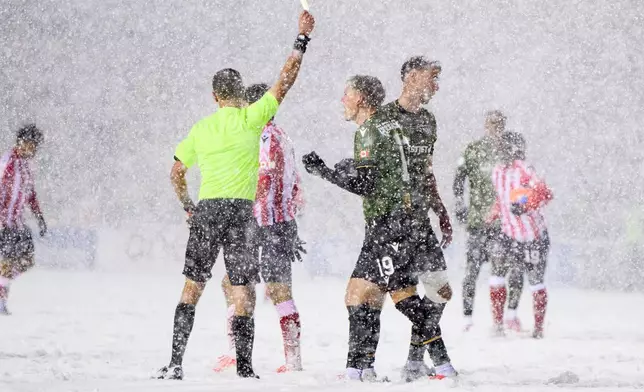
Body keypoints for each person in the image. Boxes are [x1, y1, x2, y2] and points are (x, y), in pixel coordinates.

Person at [156, 10, 315, 380]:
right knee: (242, 289)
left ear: (215, 96)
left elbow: (176, 172)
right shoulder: (251, 119)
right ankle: (245, 368)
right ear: (241, 95)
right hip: (243, 213)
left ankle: (176, 363)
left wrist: (187, 205)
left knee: (193, 286)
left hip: (209, 209)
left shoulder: (202, 128)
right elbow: (284, 82)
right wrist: (301, 41)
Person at [302, 72, 455, 382]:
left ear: (360, 99)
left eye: (346, 94)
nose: (342, 100)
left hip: (388, 225)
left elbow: (367, 184)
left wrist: (326, 172)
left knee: (366, 295)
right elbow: (410, 170)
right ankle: (366, 368)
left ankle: (437, 364)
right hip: (409, 222)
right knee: (384, 293)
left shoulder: (369, 130)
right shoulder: (397, 125)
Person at [373, 56, 456, 381]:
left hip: (421, 220)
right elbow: (371, 174)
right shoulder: (384, 119)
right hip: (393, 223)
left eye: (438, 79)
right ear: (410, 77)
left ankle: (414, 359)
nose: (436, 85)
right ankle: (435, 359)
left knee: (440, 290)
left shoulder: (428, 121)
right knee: (403, 295)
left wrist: (440, 208)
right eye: (431, 78)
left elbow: (426, 170)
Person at [216, 83, 306, 374]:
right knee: (280, 290)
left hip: (255, 220)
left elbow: (264, 178)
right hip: (281, 221)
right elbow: (295, 185)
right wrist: (291, 218)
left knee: (234, 285)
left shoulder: (261, 134)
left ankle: (233, 353)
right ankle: (294, 360)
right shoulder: (283, 136)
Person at [453, 111, 525, 331]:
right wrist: (459, 205)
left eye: (500, 124)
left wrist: (521, 206)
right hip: (478, 221)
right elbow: (459, 178)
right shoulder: (473, 149)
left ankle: (508, 315)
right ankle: (467, 318)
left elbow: (522, 180)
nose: (496, 128)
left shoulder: (510, 149)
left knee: (510, 269)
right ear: (485, 125)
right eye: (492, 124)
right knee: (472, 270)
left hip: (505, 224)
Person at [486, 132, 553, 338]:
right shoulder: (497, 172)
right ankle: (498, 325)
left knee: (535, 280)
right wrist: (493, 214)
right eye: (499, 147)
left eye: (505, 147)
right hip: (508, 234)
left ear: (514, 149)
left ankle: (538, 329)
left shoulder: (525, 170)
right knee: (496, 276)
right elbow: (502, 199)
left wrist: (526, 205)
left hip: (534, 237)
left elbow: (546, 194)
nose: (500, 151)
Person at [0, 124, 47, 315]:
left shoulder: (26, 167)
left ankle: (2, 291)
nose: (34, 150)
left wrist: (39, 216)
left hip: (18, 223)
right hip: (4, 223)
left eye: (36, 147)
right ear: (22, 143)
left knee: (26, 261)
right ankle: (1, 300)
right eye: (32, 145)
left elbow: (30, 194)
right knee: (7, 262)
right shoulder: (7, 164)